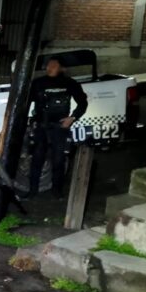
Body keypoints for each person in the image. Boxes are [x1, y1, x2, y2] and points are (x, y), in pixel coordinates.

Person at [27, 56, 88, 199]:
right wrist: (28, 121)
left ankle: (57, 191)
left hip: (59, 127)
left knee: (59, 160)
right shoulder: (38, 83)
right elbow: (26, 102)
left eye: (54, 66)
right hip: (41, 126)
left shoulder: (70, 83)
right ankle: (32, 191)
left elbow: (83, 103)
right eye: (48, 65)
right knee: (37, 159)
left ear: (62, 68)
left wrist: (72, 118)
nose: (50, 68)